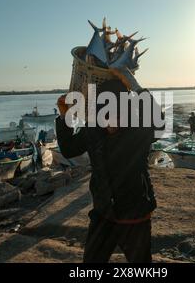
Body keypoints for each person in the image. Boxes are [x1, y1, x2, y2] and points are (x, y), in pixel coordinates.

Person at [55, 68, 164, 263]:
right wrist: (64, 118)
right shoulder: (93, 129)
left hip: (135, 215)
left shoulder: (140, 129)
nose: (111, 119)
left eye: (117, 110)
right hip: (103, 214)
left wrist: (135, 86)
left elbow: (160, 123)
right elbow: (69, 149)